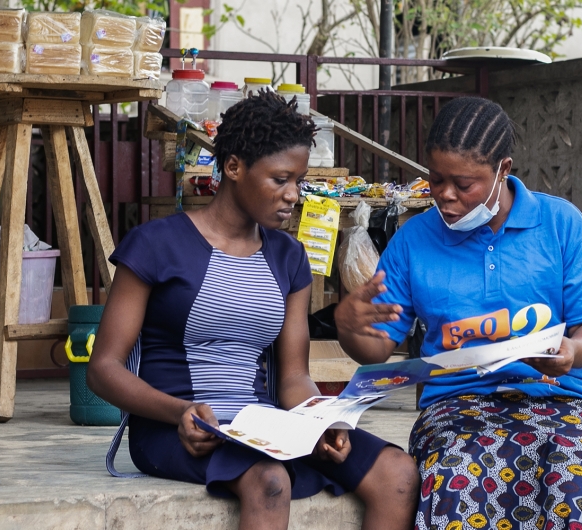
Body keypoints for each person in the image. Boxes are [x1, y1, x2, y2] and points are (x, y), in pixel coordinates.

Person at [87, 91, 418, 530]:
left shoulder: (289, 257)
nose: (293, 196)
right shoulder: (155, 245)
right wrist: (177, 412)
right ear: (234, 167)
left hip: (263, 429)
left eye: (298, 181)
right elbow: (103, 368)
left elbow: (293, 377)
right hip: (175, 429)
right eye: (280, 179)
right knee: (269, 480)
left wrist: (320, 422)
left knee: (398, 473)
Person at [335, 96, 582, 529]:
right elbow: (376, 350)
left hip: (563, 401)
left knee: (578, 490)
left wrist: (574, 352)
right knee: (459, 482)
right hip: (456, 407)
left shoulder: (561, 224)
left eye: (464, 184)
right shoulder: (414, 241)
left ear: (503, 170)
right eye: (435, 180)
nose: (446, 195)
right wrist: (347, 325)